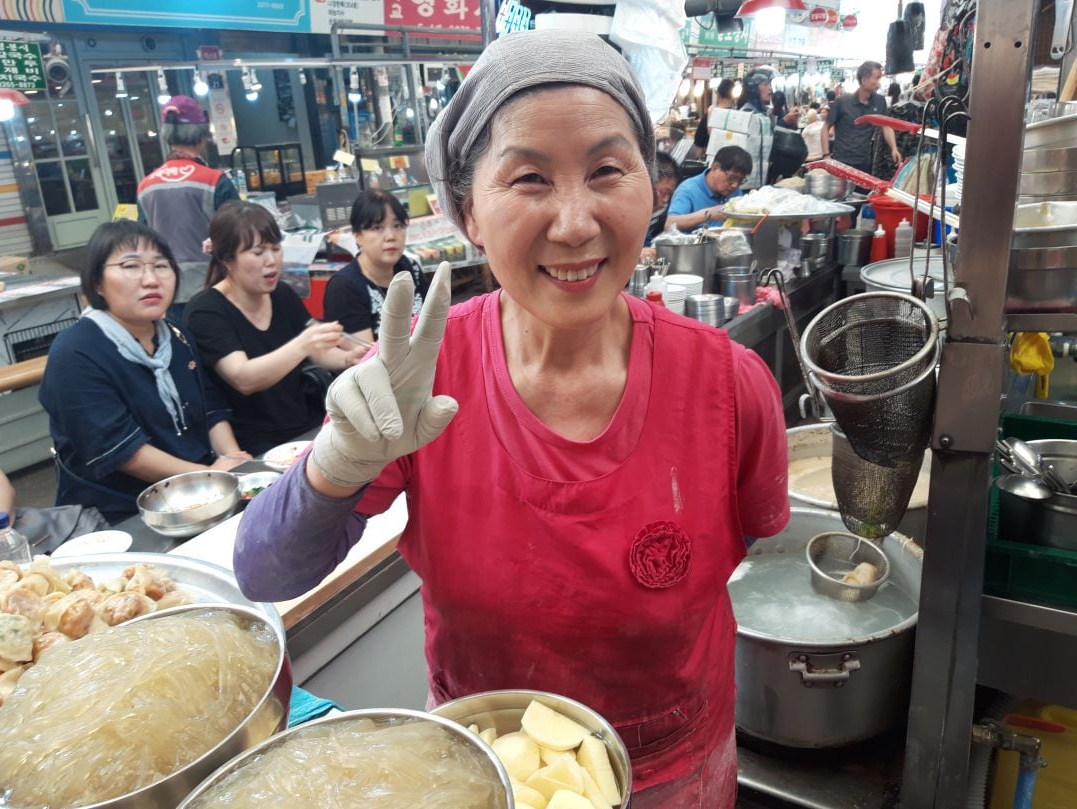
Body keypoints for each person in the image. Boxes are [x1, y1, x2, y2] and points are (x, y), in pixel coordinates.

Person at [232, 29, 789, 808]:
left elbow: (753, 540)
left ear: (652, 189)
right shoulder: (418, 378)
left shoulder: (729, 385)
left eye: (606, 170)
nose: (573, 223)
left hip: (678, 776)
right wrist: (337, 461)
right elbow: (261, 573)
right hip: (484, 776)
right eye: (529, 179)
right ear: (469, 212)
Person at [39, 220, 250, 521]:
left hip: (200, 492)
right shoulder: (75, 353)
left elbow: (209, 407)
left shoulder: (176, 336)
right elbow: (123, 452)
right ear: (97, 281)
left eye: (161, 266)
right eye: (131, 266)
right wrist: (209, 476)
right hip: (119, 511)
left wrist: (231, 458)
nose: (151, 279)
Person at [185, 202, 363, 456]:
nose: (271, 261)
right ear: (227, 260)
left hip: (307, 427)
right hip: (254, 444)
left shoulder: (282, 293)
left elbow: (316, 352)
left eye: (276, 249)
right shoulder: (205, 310)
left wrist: (347, 358)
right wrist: (302, 343)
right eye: (258, 252)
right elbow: (243, 378)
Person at [137, 96, 240, 324]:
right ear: (201, 136)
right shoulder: (215, 180)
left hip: (168, 285)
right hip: (215, 284)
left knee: (185, 348)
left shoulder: (146, 185)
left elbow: (142, 238)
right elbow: (241, 231)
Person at [323, 190, 429, 345]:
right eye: (378, 228)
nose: (391, 236)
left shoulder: (409, 268)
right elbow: (364, 358)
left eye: (397, 225)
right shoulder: (344, 287)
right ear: (358, 236)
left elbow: (434, 322)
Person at [821, 61, 902, 176]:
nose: (879, 82)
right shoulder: (842, 102)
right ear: (864, 80)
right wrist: (826, 155)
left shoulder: (879, 101)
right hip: (841, 161)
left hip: (864, 162)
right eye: (877, 78)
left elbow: (886, 125)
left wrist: (894, 148)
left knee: (861, 194)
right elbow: (825, 128)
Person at [665, 145, 751, 233]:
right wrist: (708, 214)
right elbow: (669, 224)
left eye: (741, 180)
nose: (735, 185)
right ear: (715, 168)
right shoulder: (688, 189)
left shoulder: (735, 192)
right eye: (732, 178)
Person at [735, 68, 774, 190]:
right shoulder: (745, 115)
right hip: (744, 185)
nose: (770, 89)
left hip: (760, 184)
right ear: (753, 88)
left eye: (770, 84)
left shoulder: (764, 115)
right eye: (765, 84)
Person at [692, 78, 735, 159]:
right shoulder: (737, 116)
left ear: (718, 94)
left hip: (711, 159)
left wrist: (698, 159)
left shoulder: (710, 113)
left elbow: (699, 140)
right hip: (730, 160)